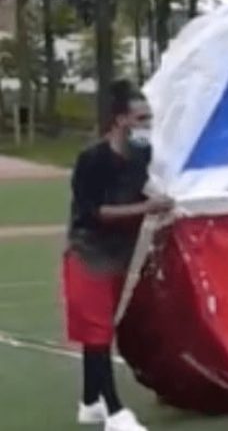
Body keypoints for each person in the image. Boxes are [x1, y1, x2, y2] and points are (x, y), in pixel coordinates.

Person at [63, 79, 172, 431]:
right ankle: (114, 411)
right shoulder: (92, 159)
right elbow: (95, 211)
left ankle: (89, 401)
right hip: (88, 254)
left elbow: (147, 186)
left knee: (101, 331)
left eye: (149, 118)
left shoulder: (141, 157)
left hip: (119, 256)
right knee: (96, 333)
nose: (146, 125)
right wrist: (146, 207)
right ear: (120, 119)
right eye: (141, 118)